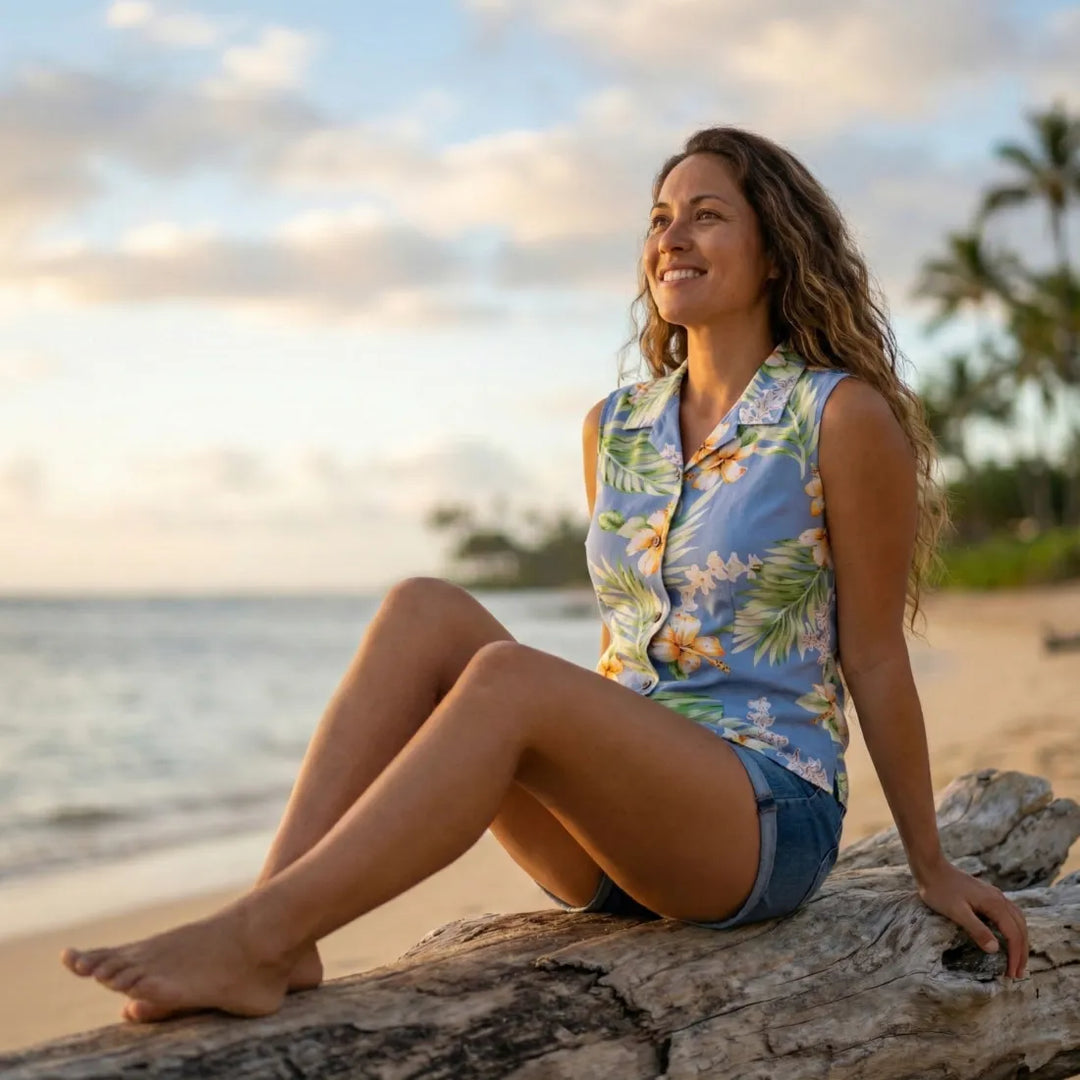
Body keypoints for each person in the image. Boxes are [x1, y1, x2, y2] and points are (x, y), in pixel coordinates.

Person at [60, 126, 1029, 1024]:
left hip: (757, 820)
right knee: (425, 608)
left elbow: (872, 651)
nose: (672, 237)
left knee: (512, 680)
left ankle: (248, 940)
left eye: (706, 214)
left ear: (776, 250)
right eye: (659, 218)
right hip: (610, 833)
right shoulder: (614, 428)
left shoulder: (839, 416)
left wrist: (929, 863)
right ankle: (279, 930)